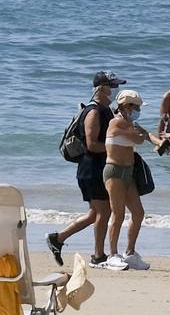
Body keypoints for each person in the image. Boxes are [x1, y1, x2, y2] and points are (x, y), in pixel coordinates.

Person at [47, 71, 121, 267]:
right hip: (91, 168)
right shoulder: (94, 111)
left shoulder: (107, 109)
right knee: (103, 212)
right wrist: (115, 147)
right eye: (112, 86)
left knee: (94, 213)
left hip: (96, 167)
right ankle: (98, 256)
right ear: (101, 88)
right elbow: (91, 145)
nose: (115, 90)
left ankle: (58, 238)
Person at [100, 89, 158, 270]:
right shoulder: (116, 123)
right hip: (114, 172)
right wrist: (145, 134)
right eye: (136, 107)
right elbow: (140, 139)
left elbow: (145, 136)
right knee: (117, 214)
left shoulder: (129, 123)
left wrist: (159, 141)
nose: (138, 111)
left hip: (129, 172)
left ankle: (130, 253)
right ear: (125, 107)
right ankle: (112, 255)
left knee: (138, 213)